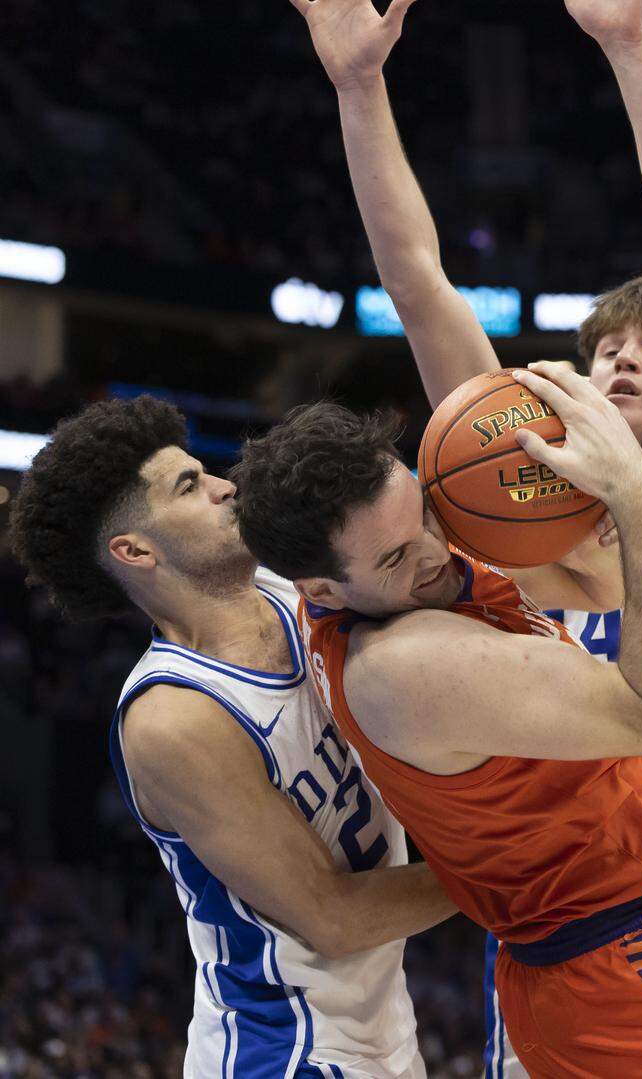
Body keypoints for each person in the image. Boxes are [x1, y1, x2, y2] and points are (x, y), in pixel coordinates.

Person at [273, 0, 642, 1076]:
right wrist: (360, 92)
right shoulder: (506, 495)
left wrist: (631, 48)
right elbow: (417, 282)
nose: (623, 355)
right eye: (607, 343)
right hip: (556, 925)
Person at [231, 365, 642, 1078]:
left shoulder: (420, 583)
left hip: (613, 953)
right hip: (632, 966)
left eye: (421, 513)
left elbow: (599, 588)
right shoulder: (408, 664)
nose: (433, 548)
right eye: (393, 555)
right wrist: (633, 496)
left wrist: (567, 508)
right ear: (321, 588)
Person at [9, 395, 455, 1078]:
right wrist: (519, 864)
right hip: (286, 1049)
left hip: (382, 1023)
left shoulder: (291, 586)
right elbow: (331, 917)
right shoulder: (175, 717)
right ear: (134, 550)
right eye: (190, 484)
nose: (225, 484)